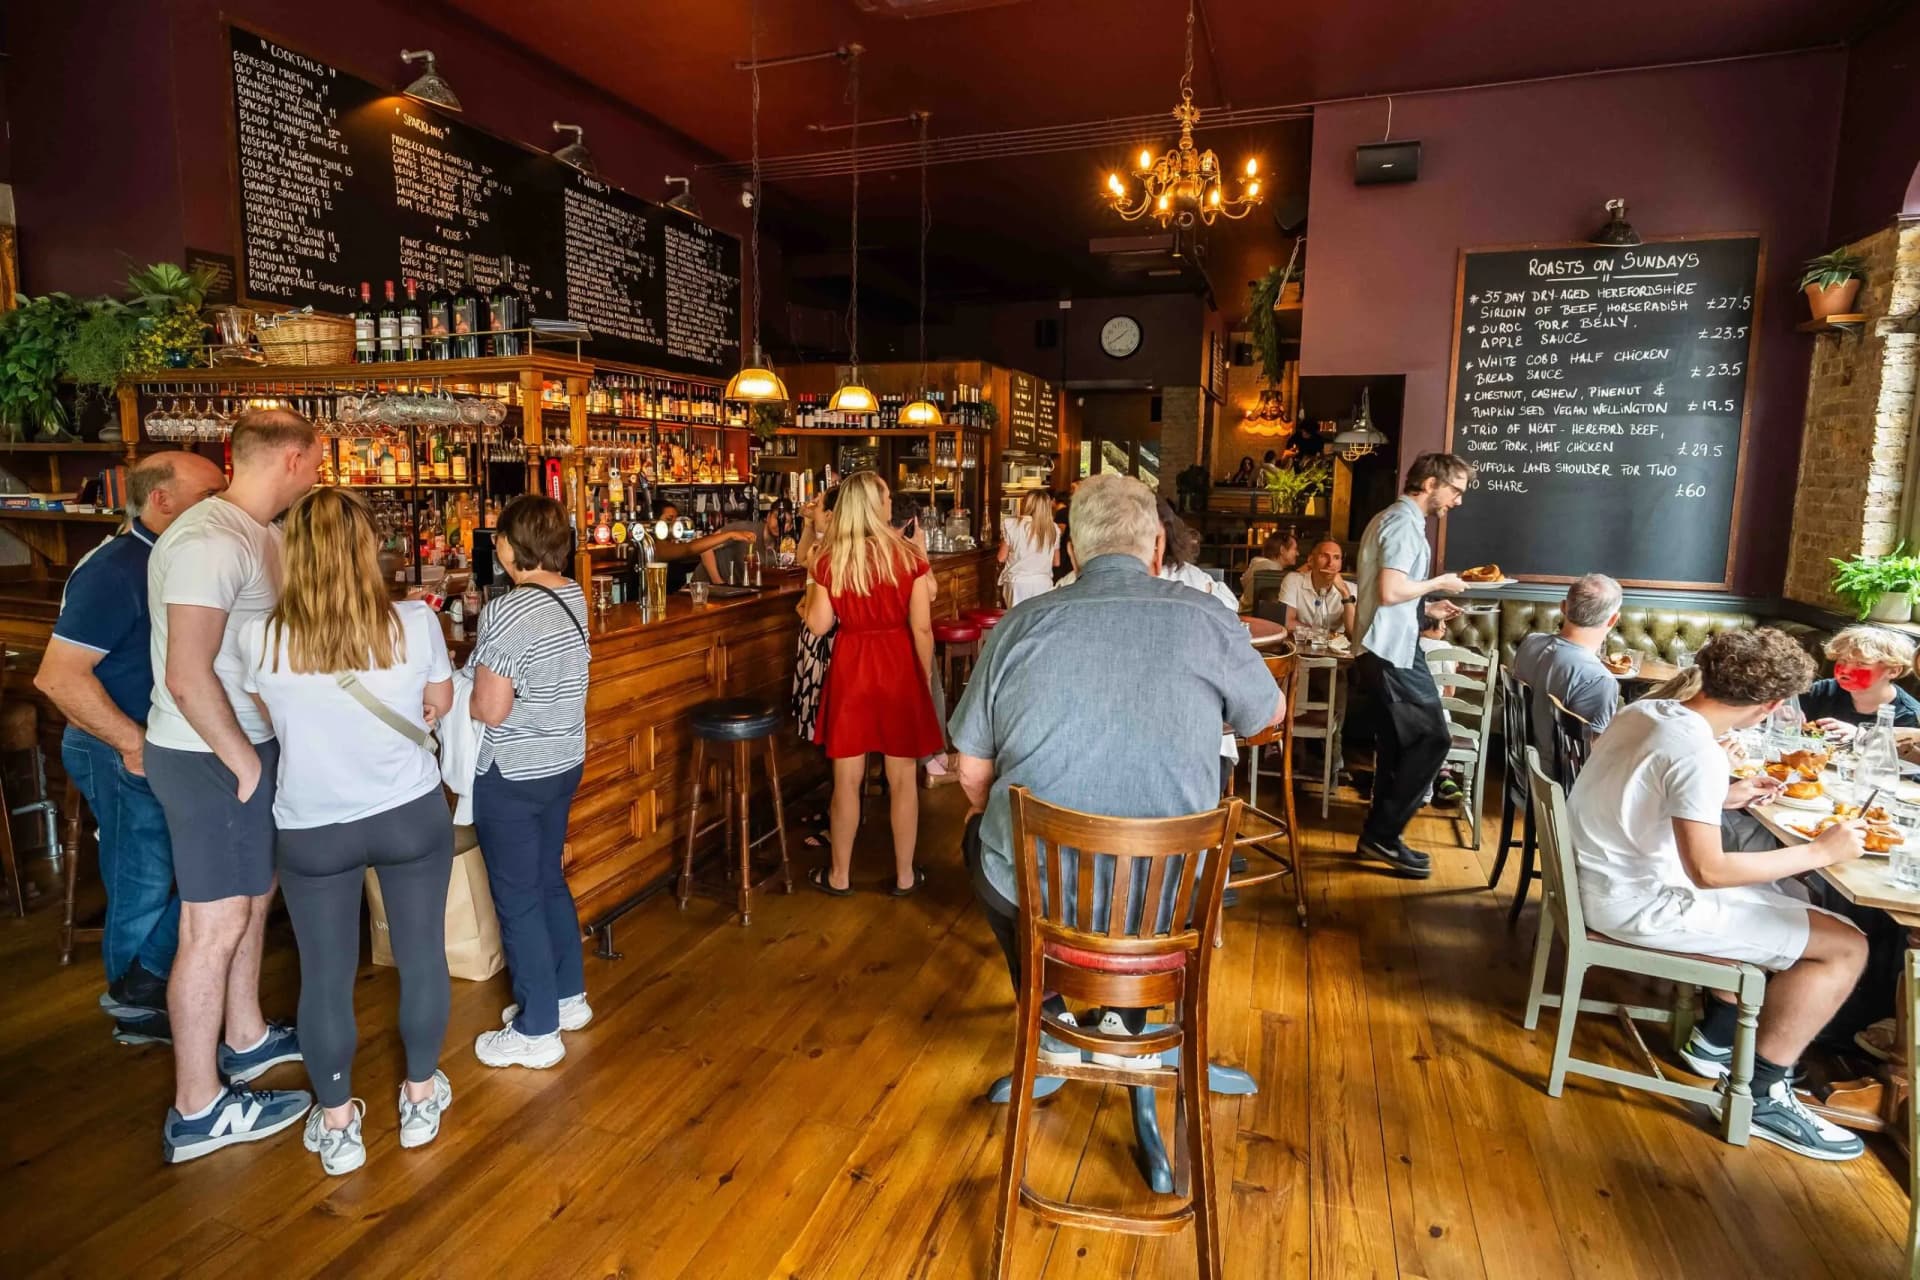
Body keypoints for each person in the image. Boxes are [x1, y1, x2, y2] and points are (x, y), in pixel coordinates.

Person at [951, 472, 1282, 1067]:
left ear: (1071, 552)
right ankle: (1125, 1027)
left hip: (1042, 900)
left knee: (980, 837)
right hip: (1170, 902)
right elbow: (1267, 718)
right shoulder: (1207, 617)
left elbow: (971, 774)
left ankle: (1047, 1009)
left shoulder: (1020, 626)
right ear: (1157, 545)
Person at [1565, 628, 1868, 1160]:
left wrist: (1723, 798)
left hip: (1603, 880)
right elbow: (1708, 872)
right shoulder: (1697, 751)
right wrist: (1822, 852)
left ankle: (1723, 1038)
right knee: (1846, 945)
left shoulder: (1649, 712)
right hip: (1637, 904)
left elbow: (1645, 793)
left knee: (1792, 896)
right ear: (1772, 705)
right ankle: (1763, 1094)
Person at [236, 488, 456, 1176]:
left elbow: (269, 721)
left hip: (313, 828)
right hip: (408, 815)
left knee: (323, 979)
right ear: (369, 551)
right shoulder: (415, 622)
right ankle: (420, 1100)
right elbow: (439, 704)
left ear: (291, 555)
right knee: (421, 958)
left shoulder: (258, 638)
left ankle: (338, 1126)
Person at [144, 409, 321, 1163]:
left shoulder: (261, 536)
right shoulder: (210, 541)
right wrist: (245, 763)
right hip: (208, 757)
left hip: (242, 750)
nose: (320, 472)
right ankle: (197, 1108)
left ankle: (244, 1039)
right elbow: (187, 673)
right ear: (290, 459)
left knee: (253, 899)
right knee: (210, 928)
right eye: (317, 459)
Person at [35, 451, 225, 1045]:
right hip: (119, 745)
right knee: (143, 879)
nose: (221, 506)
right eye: (208, 496)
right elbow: (58, 677)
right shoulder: (116, 568)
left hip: (171, 744)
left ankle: (151, 995)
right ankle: (137, 1011)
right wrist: (132, 744)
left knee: (202, 869)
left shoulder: (179, 557)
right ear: (161, 501)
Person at [466, 496, 592, 1071]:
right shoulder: (573, 595)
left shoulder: (509, 610)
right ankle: (569, 999)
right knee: (548, 881)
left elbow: (490, 708)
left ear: (514, 548)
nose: (496, 548)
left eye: (498, 538)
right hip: (564, 760)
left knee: (517, 898)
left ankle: (537, 1029)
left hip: (514, 771)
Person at [804, 471, 944, 895]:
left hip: (852, 667)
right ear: (874, 505)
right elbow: (922, 629)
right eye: (885, 498)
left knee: (846, 780)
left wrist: (810, 582)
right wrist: (922, 676)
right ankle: (904, 876)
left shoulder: (832, 559)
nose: (890, 505)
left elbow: (818, 623)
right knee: (903, 780)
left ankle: (839, 876)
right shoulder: (908, 557)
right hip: (898, 664)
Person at [1350, 452, 1474, 878]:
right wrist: (1440, 582)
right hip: (1389, 652)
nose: (1457, 501)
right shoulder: (1403, 523)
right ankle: (1382, 835)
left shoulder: (1392, 518)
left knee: (1399, 746)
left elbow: (1391, 594)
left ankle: (1378, 839)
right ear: (1430, 483)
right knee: (1433, 738)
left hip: (1383, 647)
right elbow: (1389, 591)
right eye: (1455, 490)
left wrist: (1426, 609)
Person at [1511, 573, 1624, 759]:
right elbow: (1590, 759)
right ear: (1613, 620)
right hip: (1559, 782)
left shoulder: (1530, 642)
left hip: (1523, 760)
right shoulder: (1599, 680)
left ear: (1563, 607)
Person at [1798, 626, 1920, 741]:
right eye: (1843, 660)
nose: (1845, 670)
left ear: (1893, 671)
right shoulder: (1823, 690)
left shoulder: (1909, 716)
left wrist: (1862, 737)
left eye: (1861, 663)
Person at [1276, 537, 1354, 632]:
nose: (1330, 563)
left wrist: (1345, 593)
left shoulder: (1352, 589)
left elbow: (1353, 632)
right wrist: (1322, 635)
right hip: (1303, 644)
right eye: (1324, 556)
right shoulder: (1293, 580)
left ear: (1341, 563)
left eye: (1336, 558)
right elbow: (1288, 623)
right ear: (1311, 560)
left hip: (1337, 646)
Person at [997, 490, 1060, 606]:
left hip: (1017, 582)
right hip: (1043, 583)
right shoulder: (1054, 528)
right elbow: (1056, 562)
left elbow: (1001, 557)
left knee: (1018, 621)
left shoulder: (1012, 524)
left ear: (1027, 504)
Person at [1239, 529, 1301, 611]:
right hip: (1254, 618)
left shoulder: (1261, 564)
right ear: (1282, 550)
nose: (1297, 553)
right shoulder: (1270, 568)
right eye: (1295, 549)